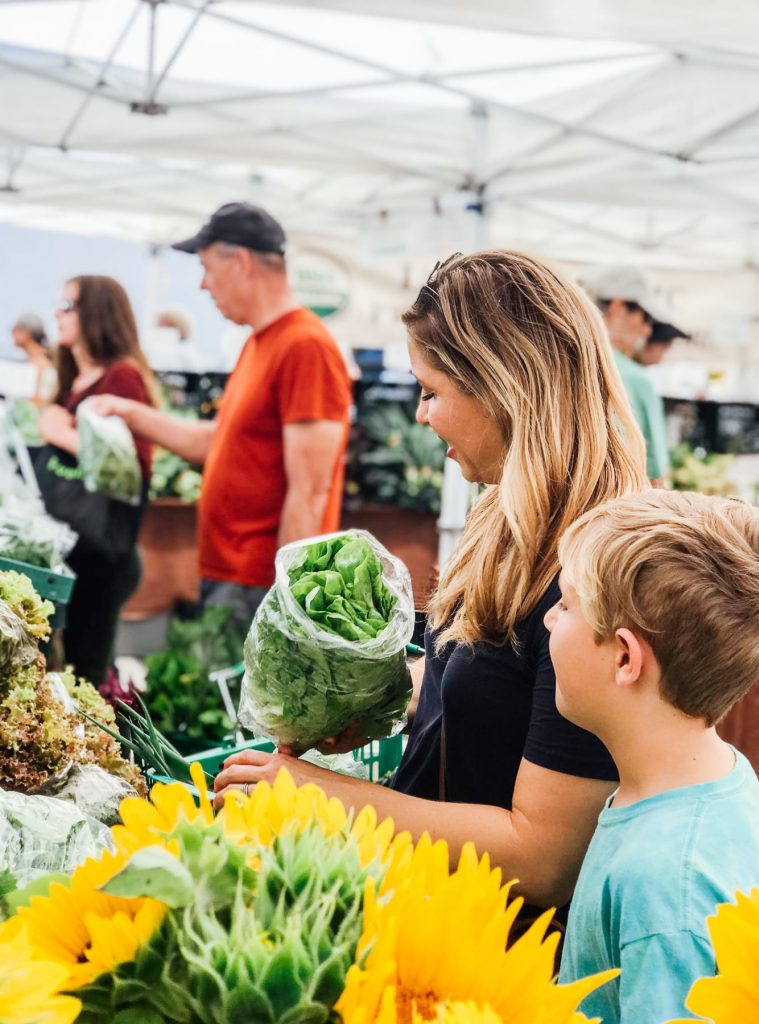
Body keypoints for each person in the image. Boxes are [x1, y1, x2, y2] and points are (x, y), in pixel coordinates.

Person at [213, 249, 647, 911]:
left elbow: (543, 859)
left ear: (506, 386)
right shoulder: (510, 517)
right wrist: (373, 704)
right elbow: (481, 681)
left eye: (432, 391)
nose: (421, 414)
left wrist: (317, 794)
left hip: (497, 956)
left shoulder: (594, 578)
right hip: (430, 905)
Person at [548, 490, 759, 1024]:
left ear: (625, 656)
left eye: (565, 605)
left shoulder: (669, 892)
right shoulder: (715, 775)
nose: (551, 621)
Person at [88, 202, 351, 626]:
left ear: (242, 262)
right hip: (229, 574)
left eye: (207, 269)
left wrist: (290, 603)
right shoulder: (259, 343)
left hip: (259, 584)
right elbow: (221, 441)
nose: (203, 286)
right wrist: (130, 414)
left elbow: (311, 490)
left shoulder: (305, 346)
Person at [38, 276, 157, 686]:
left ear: (96, 314)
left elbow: (133, 473)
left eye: (67, 304)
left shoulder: (121, 378)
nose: (57, 312)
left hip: (101, 556)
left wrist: (61, 433)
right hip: (76, 550)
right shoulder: (74, 378)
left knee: (86, 673)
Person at [584, 266, 686, 488]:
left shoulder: (556, 361)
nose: (647, 330)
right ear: (618, 306)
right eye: (645, 317)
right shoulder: (634, 378)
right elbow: (656, 478)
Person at [11, 312, 55, 405]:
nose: (12, 333)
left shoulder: (42, 363)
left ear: (27, 332)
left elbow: (38, 401)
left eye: (15, 329)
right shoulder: (33, 361)